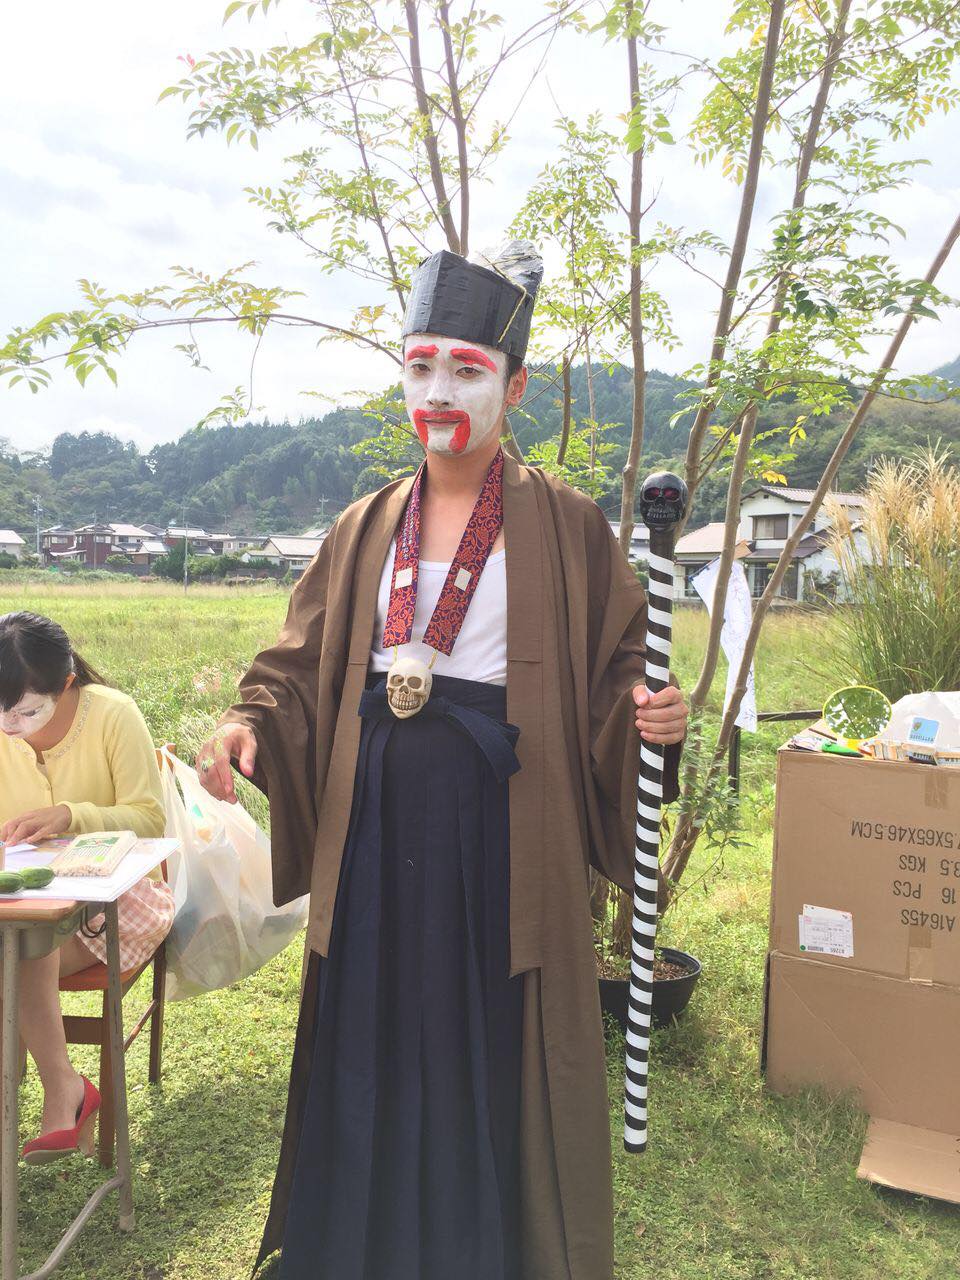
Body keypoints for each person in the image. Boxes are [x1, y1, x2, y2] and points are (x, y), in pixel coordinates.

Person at [196, 241, 688, 1280]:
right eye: (420, 366)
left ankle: (481, 1245)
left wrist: (649, 715)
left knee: (482, 1022)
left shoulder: (565, 524)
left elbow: (620, 667)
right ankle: (357, 1244)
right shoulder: (365, 522)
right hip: (371, 814)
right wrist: (253, 722)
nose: (438, 393)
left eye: (466, 370)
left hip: (499, 817)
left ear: (516, 386)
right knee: (372, 1014)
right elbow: (298, 660)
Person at [0, 612, 173, 1163]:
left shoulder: (114, 715)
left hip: (121, 897)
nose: (10, 725)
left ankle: (62, 1091)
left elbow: (150, 820)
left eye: (27, 711)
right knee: (18, 942)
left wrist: (71, 816)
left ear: (67, 682)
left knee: (22, 951)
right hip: (24, 899)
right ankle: (53, 1093)